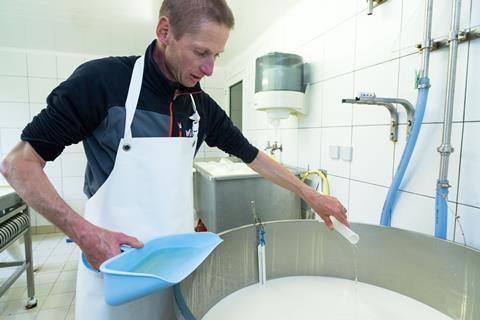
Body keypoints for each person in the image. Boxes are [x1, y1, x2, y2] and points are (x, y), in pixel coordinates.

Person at [0, 0, 348, 319]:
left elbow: (252, 156)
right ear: (164, 32)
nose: (210, 68)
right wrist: (84, 234)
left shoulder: (200, 106)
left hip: (177, 273)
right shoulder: (102, 83)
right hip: (118, 272)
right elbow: (19, 164)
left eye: (217, 55)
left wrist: (311, 195)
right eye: (201, 52)